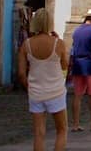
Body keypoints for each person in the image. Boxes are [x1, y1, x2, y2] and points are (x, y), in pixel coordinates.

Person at [18, 9, 68, 151]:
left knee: (39, 133)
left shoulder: (26, 44)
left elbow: (21, 73)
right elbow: (65, 65)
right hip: (56, 91)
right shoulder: (58, 43)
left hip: (36, 92)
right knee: (61, 130)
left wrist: (28, 87)